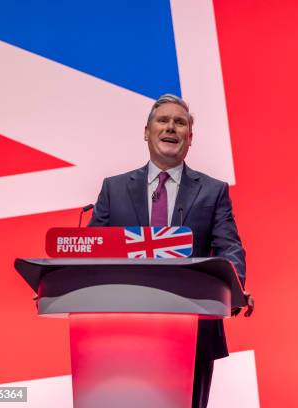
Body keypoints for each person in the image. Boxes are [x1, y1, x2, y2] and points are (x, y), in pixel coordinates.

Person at [88, 93, 253, 408]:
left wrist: (235, 287)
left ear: (190, 137)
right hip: (123, 330)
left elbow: (230, 247)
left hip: (193, 330)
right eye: (163, 121)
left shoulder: (213, 191)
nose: (171, 128)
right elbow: (90, 250)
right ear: (146, 132)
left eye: (180, 123)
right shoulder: (114, 188)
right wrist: (60, 281)